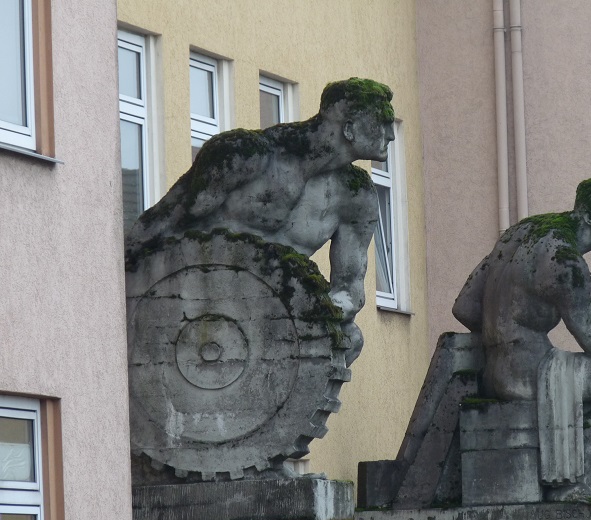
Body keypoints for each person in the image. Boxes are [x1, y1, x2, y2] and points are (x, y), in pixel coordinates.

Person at [125, 78, 396, 366]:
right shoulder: (246, 154)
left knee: (349, 339)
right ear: (349, 128)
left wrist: (313, 309)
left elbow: (350, 289)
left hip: (274, 318)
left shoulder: (356, 195)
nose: (391, 135)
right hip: (187, 302)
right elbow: (162, 221)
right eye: (382, 123)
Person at [453, 176, 591, 501]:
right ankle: (572, 476)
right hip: (531, 373)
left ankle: (589, 453)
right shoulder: (566, 262)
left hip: (494, 372)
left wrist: (503, 332)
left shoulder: (522, 232)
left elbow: (464, 307)